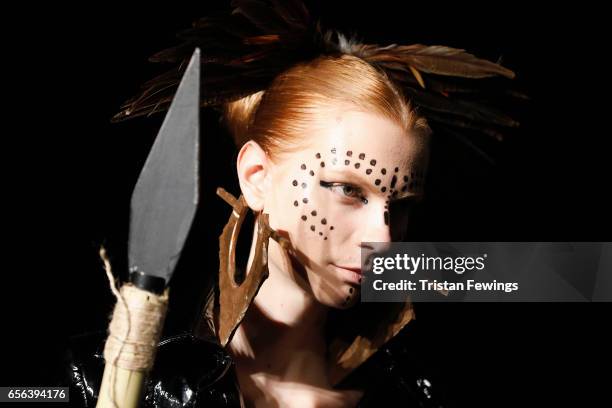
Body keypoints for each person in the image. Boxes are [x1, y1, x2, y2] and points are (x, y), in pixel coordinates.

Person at [66, 1, 517, 406]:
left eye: (400, 206)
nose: (383, 240)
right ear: (257, 177)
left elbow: (574, 276)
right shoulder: (90, 380)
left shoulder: (416, 390)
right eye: (347, 190)